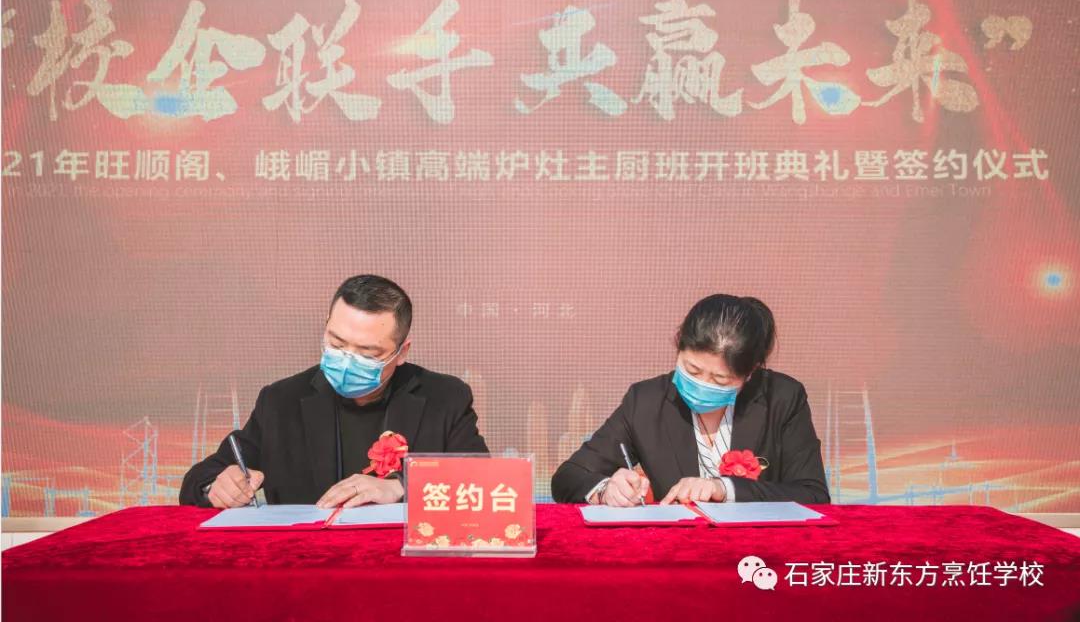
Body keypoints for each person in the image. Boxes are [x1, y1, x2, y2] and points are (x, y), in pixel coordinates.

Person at [180, 274, 488, 509]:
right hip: (308, 563)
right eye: (337, 344)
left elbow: (483, 483)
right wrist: (216, 487)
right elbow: (199, 478)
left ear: (402, 352)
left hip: (403, 563)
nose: (347, 361)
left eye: (368, 353)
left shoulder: (444, 398)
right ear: (326, 325)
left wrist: (401, 487)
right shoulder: (281, 401)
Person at [551, 294, 829, 506]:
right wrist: (605, 490)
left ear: (750, 373)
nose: (703, 385)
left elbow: (813, 494)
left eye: (720, 380)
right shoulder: (646, 401)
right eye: (693, 370)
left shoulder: (782, 398)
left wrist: (724, 489)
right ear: (678, 345)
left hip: (759, 552)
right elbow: (569, 476)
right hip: (677, 551)